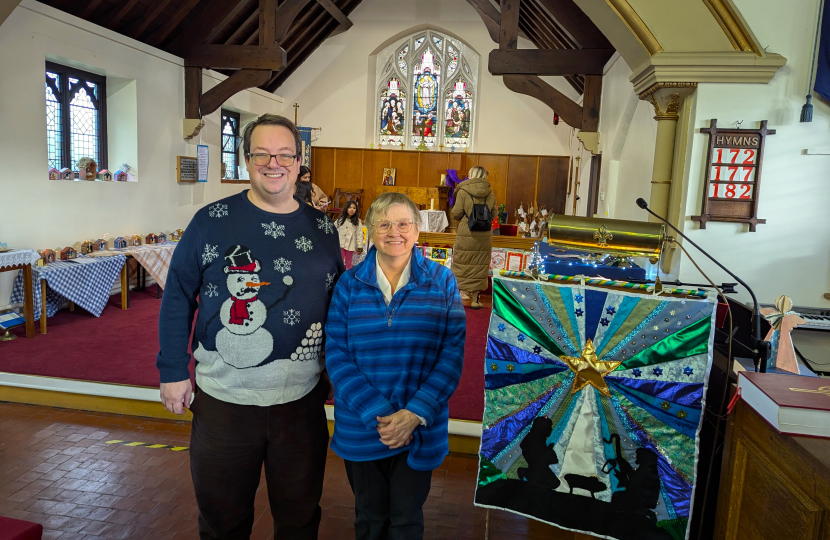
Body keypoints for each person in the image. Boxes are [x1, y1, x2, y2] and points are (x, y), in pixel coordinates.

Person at [157, 113, 344, 540]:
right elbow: (177, 297)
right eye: (261, 153)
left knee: (298, 521)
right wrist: (172, 369)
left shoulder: (322, 228)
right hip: (225, 405)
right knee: (224, 522)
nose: (272, 163)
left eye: (283, 154)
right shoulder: (212, 220)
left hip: (299, 407)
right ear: (246, 159)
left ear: (299, 162)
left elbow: (340, 304)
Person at [325, 192, 466, 540]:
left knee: (406, 522)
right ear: (371, 231)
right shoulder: (349, 284)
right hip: (363, 427)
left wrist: (414, 413)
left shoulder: (442, 282)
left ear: (418, 230)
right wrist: (379, 413)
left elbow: (452, 354)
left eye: (403, 223)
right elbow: (336, 354)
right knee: (369, 521)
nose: (394, 232)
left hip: (417, 427)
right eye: (384, 224)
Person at [450, 166, 497, 309]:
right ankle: (476, 299)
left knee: (462, 263)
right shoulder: (490, 193)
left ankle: (460, 295)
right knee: (480, 265)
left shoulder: (463, 191)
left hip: (467, 233)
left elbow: (456, 213)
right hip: (484, 234)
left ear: (471, 175)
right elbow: (494, 214)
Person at [335, 200, 364, 269]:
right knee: (340, 261)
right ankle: (339, 274)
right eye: (350, 207)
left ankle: (348, 275)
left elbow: (359, 234)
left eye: (354, 208)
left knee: (348, 262)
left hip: (350, 245)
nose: (352, 209)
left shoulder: (358, 221)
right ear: (346, 208)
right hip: (341, 244)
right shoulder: (341, 219)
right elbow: (333, 227)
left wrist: (359, 247)